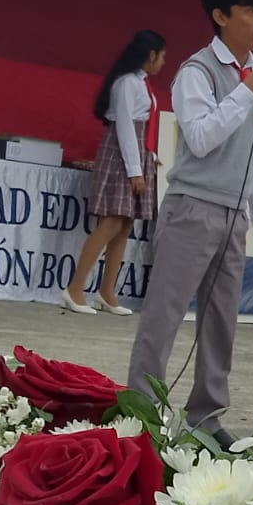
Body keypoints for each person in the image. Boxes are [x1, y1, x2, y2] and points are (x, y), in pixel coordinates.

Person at [127, 0, 253, 445]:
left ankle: (206, 417)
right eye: (250, 10)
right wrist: (246, 90)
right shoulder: (197, 72)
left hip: (234, 215)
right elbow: (200, 137)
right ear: (220, 16)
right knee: (164, 315)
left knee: (221, 322)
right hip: (192, 208)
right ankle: (141, 413)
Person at [62, 30, 166, 315]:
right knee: (110, 222)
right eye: (161, 56)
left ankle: (107, 292)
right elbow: (125, 128)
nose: (163, 62)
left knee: (124, 224)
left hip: (135, 155)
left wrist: (149, 156)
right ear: (151, 55)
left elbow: (142, 129)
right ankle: (74, 289)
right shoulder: (126, 84)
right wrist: (135, 170)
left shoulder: (141, 83)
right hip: (122, 156)